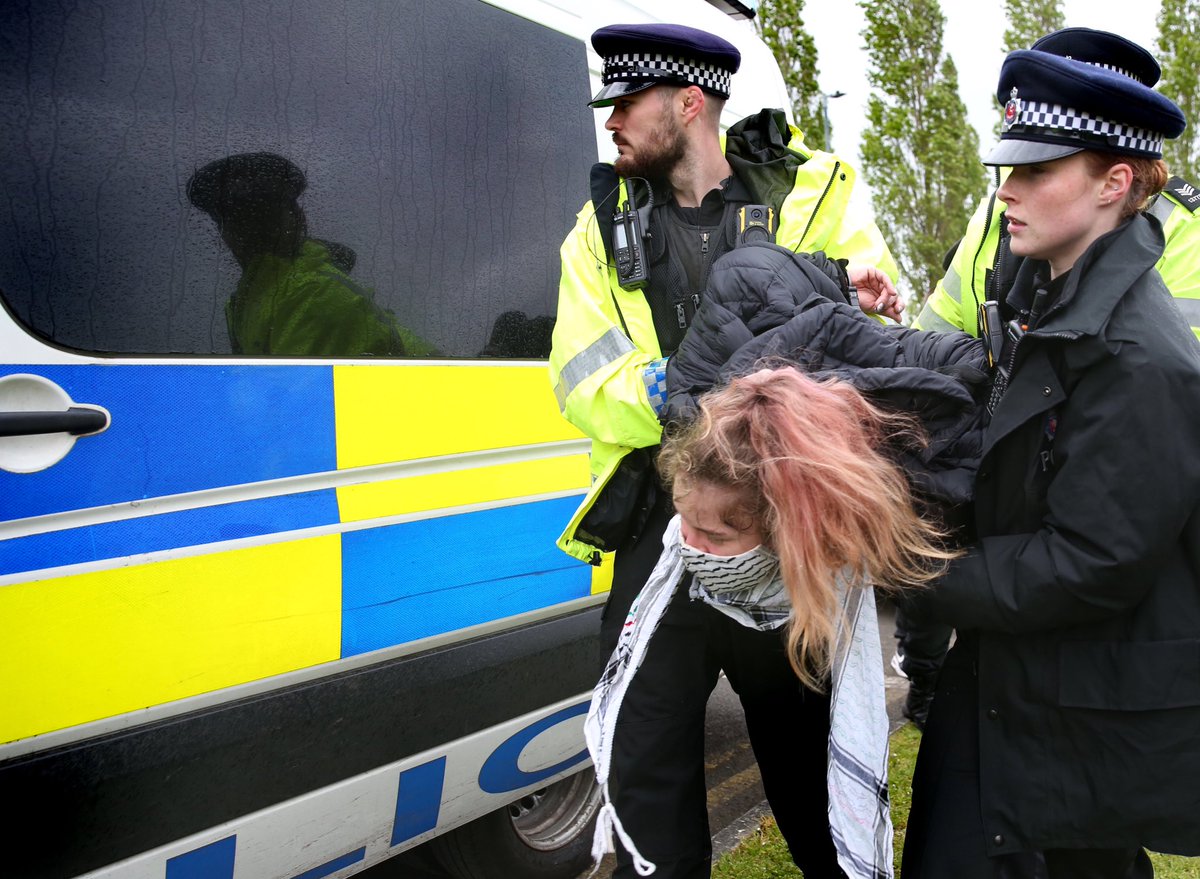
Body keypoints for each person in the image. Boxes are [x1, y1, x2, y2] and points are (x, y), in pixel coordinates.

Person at [548, 22, 900, 879]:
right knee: (645, 772)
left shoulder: (816, 194)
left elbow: (874, 337)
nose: (611, 123)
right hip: (662, 533)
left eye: (625, 103)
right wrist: (681, 380)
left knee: (809, 774)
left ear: (688, 103)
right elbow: (578, 379)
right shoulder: (599, 232)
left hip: (789, 536)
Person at [900, 39, 1200, 879]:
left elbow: (1093, 561)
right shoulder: (1041, 297)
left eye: (1038, 170)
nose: (1006, 190)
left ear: (1115, 184)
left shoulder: (1140, 355)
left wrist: (914, 569)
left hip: (1077, 695)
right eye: (1008, 166)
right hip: (1010, 664)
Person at [586, 367, 960, 879]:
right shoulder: (681, 540)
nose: (692, 546)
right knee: (651, 795)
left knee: (809, 781)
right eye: (685, 522)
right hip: (678, 604)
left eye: (714, 537)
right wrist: (701, 528)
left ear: (788, 529)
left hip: (788, 607)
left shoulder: (826, 544)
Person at [188, 152, 435, 356]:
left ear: (295, 217)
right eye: (229, 218)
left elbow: (296, 405)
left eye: (260, 214)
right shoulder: (252, 298)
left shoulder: (314, 295)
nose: (244, 230)